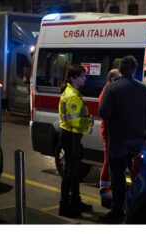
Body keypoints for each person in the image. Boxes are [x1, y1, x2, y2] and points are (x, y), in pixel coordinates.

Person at [98, 55, 146, 223]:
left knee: (117, 176)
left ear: (121, 70)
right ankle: (137, 208)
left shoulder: (113, 88)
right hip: (138, 140)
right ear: (135, 70)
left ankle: (117, 210)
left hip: (118, 139)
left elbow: (103, 113)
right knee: (137, 174)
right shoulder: (144, 89)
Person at [58, 65, 93, 218]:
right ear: (73, 78)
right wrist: (88, 121)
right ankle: (65, 206)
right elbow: (75, 121)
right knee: (70, 173)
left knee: (75, 171)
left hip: (71, 136)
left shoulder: (74, 92)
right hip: (71, 136)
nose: (85, 78)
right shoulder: (72, 95)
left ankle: (75, 201)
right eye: (82, 76)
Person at [98, 68, 121, 209]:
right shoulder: (107, 92)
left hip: (113, 131)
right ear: (112, 79)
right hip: (109, 131)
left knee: (112, 161)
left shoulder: (111, 90)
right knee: (108, 161)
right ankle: (104, 192)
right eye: (118, 79)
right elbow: (106, 113)